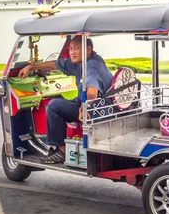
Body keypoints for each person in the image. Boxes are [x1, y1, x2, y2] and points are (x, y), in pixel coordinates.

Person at [18, 35, 113, 164]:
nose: (72, 52)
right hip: (95, 104)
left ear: (88, 49)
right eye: (70, 48)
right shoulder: (79, 62)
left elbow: (91, 93)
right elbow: (54, 64)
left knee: (53, 106)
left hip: (98, 110)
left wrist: (83, 108)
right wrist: (31, 67)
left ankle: (61, 151)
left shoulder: (91, 66)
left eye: (76, 48)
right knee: (59, 100)